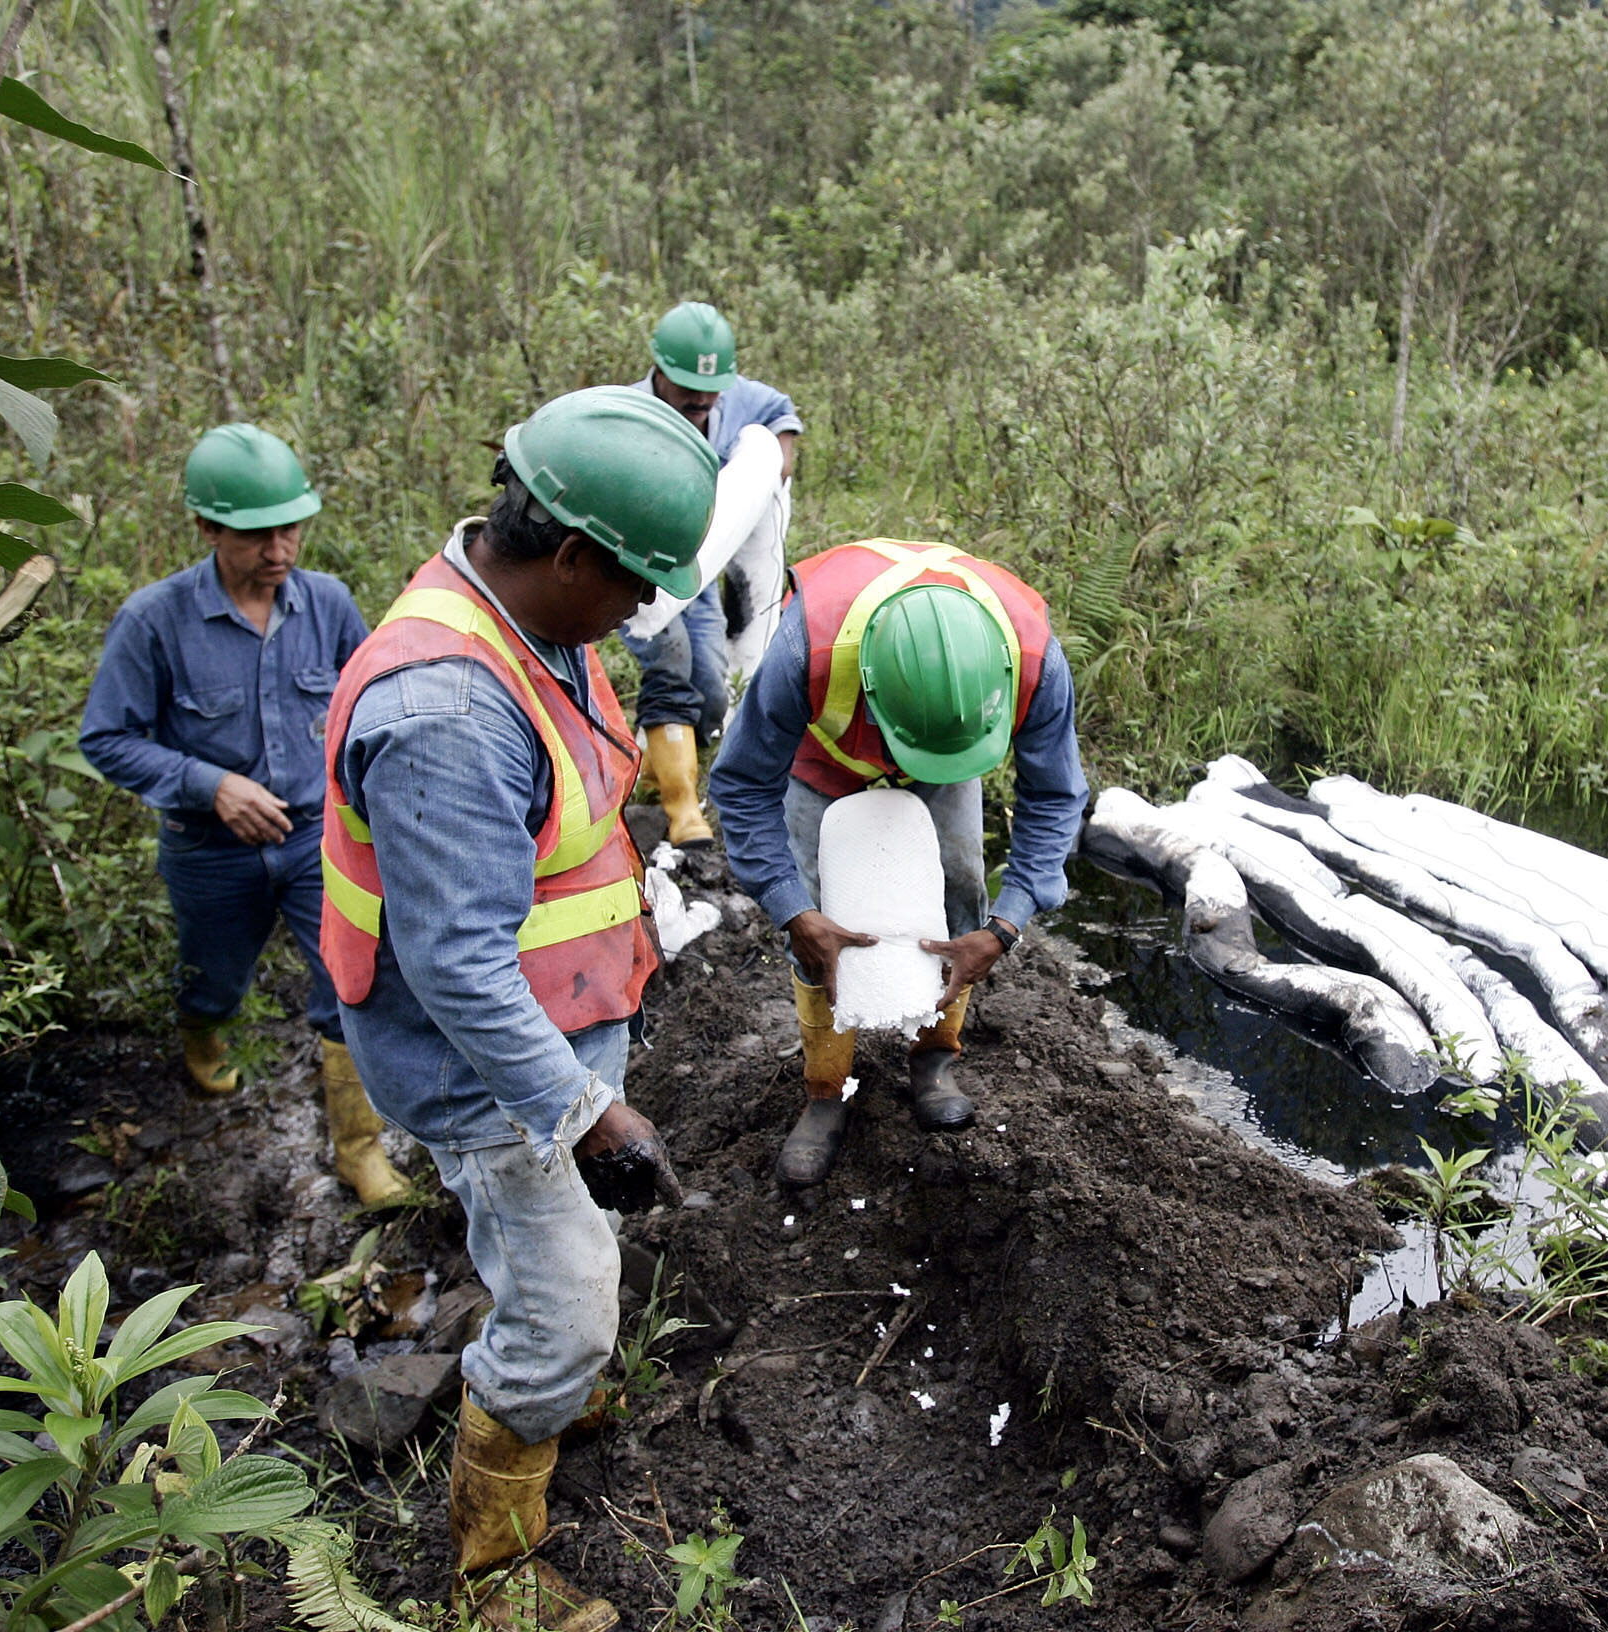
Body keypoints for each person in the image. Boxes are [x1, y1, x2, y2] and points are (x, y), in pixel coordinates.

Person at [321, 386, 713, 1630]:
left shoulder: (532, 621)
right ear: (570, 555)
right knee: (562, 1305)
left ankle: (554, 1390)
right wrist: (589, 1108)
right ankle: (493, 1577)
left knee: (558, 1264)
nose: (642, 613)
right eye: (635, 586)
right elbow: (460, 970)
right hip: (492, 1072)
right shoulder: (446, 711)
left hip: (548, 1029)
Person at [80, 423, 407, 1209]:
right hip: (209, 851)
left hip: (312, 842)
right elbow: (106, 737)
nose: (279, 549)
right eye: (257, 535)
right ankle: (203, 1028)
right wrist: (208, 784)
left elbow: (370, 704)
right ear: (206, 527)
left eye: (291, 528)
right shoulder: (154, 621)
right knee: (214, 976)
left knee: (348, 978)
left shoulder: (326, 605)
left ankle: (361, 1153)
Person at [708, 541, 1089, 1187]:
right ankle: (825, 1089)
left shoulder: (1031, 658)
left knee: (961, 894)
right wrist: (789, 907)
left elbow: (1056, 795)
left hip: (951, 761)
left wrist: (1006, 925)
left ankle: (934, 1055)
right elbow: (743, 786)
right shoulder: (809, 650)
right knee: (820, 920)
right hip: (819, 764)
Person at [622, 300, 802, 848]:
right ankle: (682, 810)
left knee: (713, 690)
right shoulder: (627, 413)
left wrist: (770, 465)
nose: (700, 401)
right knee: (672, 664)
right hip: (635, 571)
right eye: (686, 390)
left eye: (710, 391)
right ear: (658, 371)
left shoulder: (741, 399)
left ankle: (655, 770)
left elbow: (781, 424)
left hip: (695, 570)